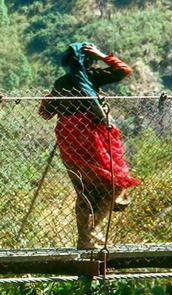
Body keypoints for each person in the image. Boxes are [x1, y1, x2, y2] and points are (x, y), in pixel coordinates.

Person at [38, 42, 139, 249]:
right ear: (89, 61)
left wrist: (49, 99)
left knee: (85, 191)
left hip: (70, 144)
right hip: (94, 141)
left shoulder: (61, 83)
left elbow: (46, 113)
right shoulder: (92, 77)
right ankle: (93, 235)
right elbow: (124, 70)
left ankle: (87, 240)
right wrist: (102, 55)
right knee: (112, 183)